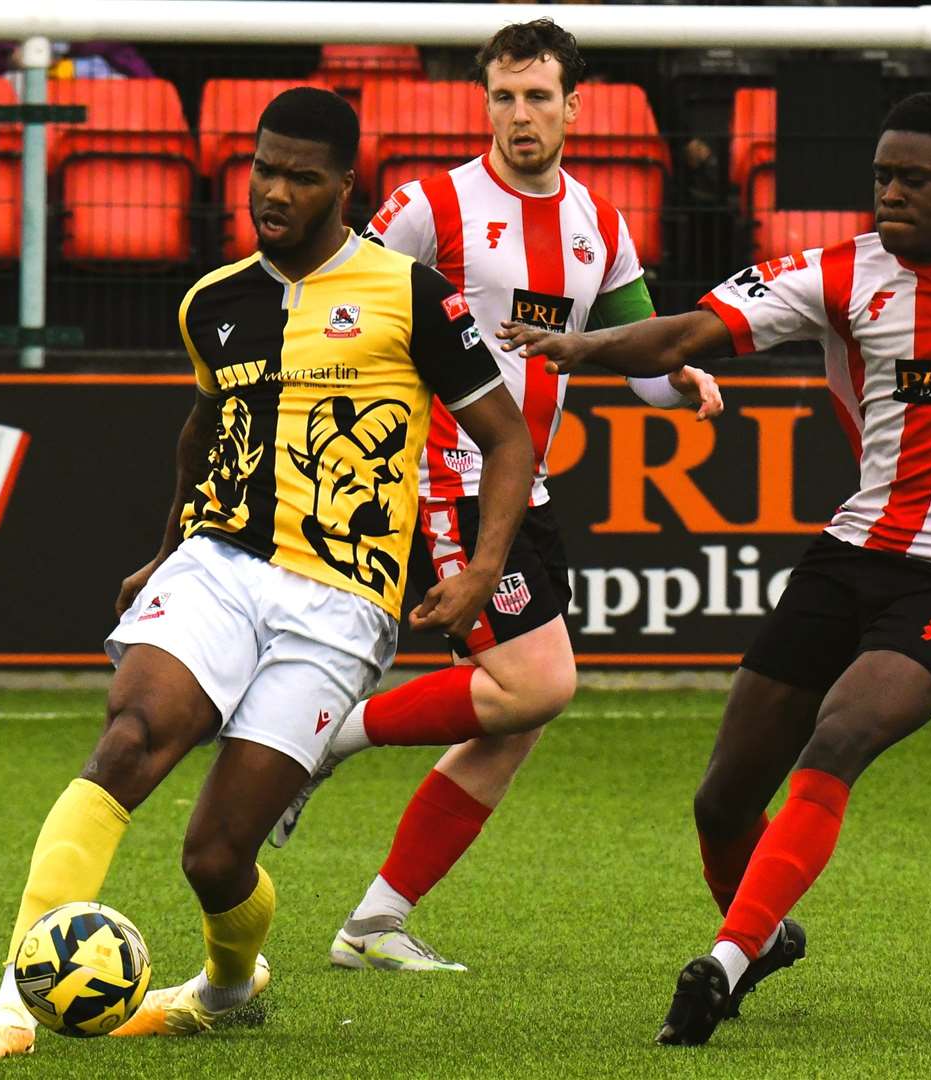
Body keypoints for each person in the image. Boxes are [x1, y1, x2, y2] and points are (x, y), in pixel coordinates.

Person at [499, 92, 931, 1046]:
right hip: (849, 555)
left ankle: (724, 962)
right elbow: (684, 335)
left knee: (836, 741)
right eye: (879, 177)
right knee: (721, 800)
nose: (890, 194)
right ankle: (767, 935)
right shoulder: (831, 276)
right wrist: (583, 346)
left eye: (913, 179)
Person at [0, 86, 534, 1061]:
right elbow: (204, 431)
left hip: (340, 602)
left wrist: (480, 569)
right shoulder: (212, 304)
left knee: (216, 855)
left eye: (302, 176)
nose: (275, 191)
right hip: (220, 564)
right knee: (131, 737)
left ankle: (226, 986)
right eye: (264, 169)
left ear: (345, 186)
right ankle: (14, 999)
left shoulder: (413, 295)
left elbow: (507, 440)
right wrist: (169, 545)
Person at [263, 17, 723, 974]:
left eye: (539, 97)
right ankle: (323, 738)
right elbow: (334, 292)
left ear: (572, 107)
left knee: (517, 714)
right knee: (539, 682)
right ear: (487, 104)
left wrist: (679, 381)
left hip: (525, 485)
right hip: (442, 471)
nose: (521, 115)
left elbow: (635, 356)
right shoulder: (432, 207)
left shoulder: (599, 222)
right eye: (505, 97)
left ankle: (373, 925)